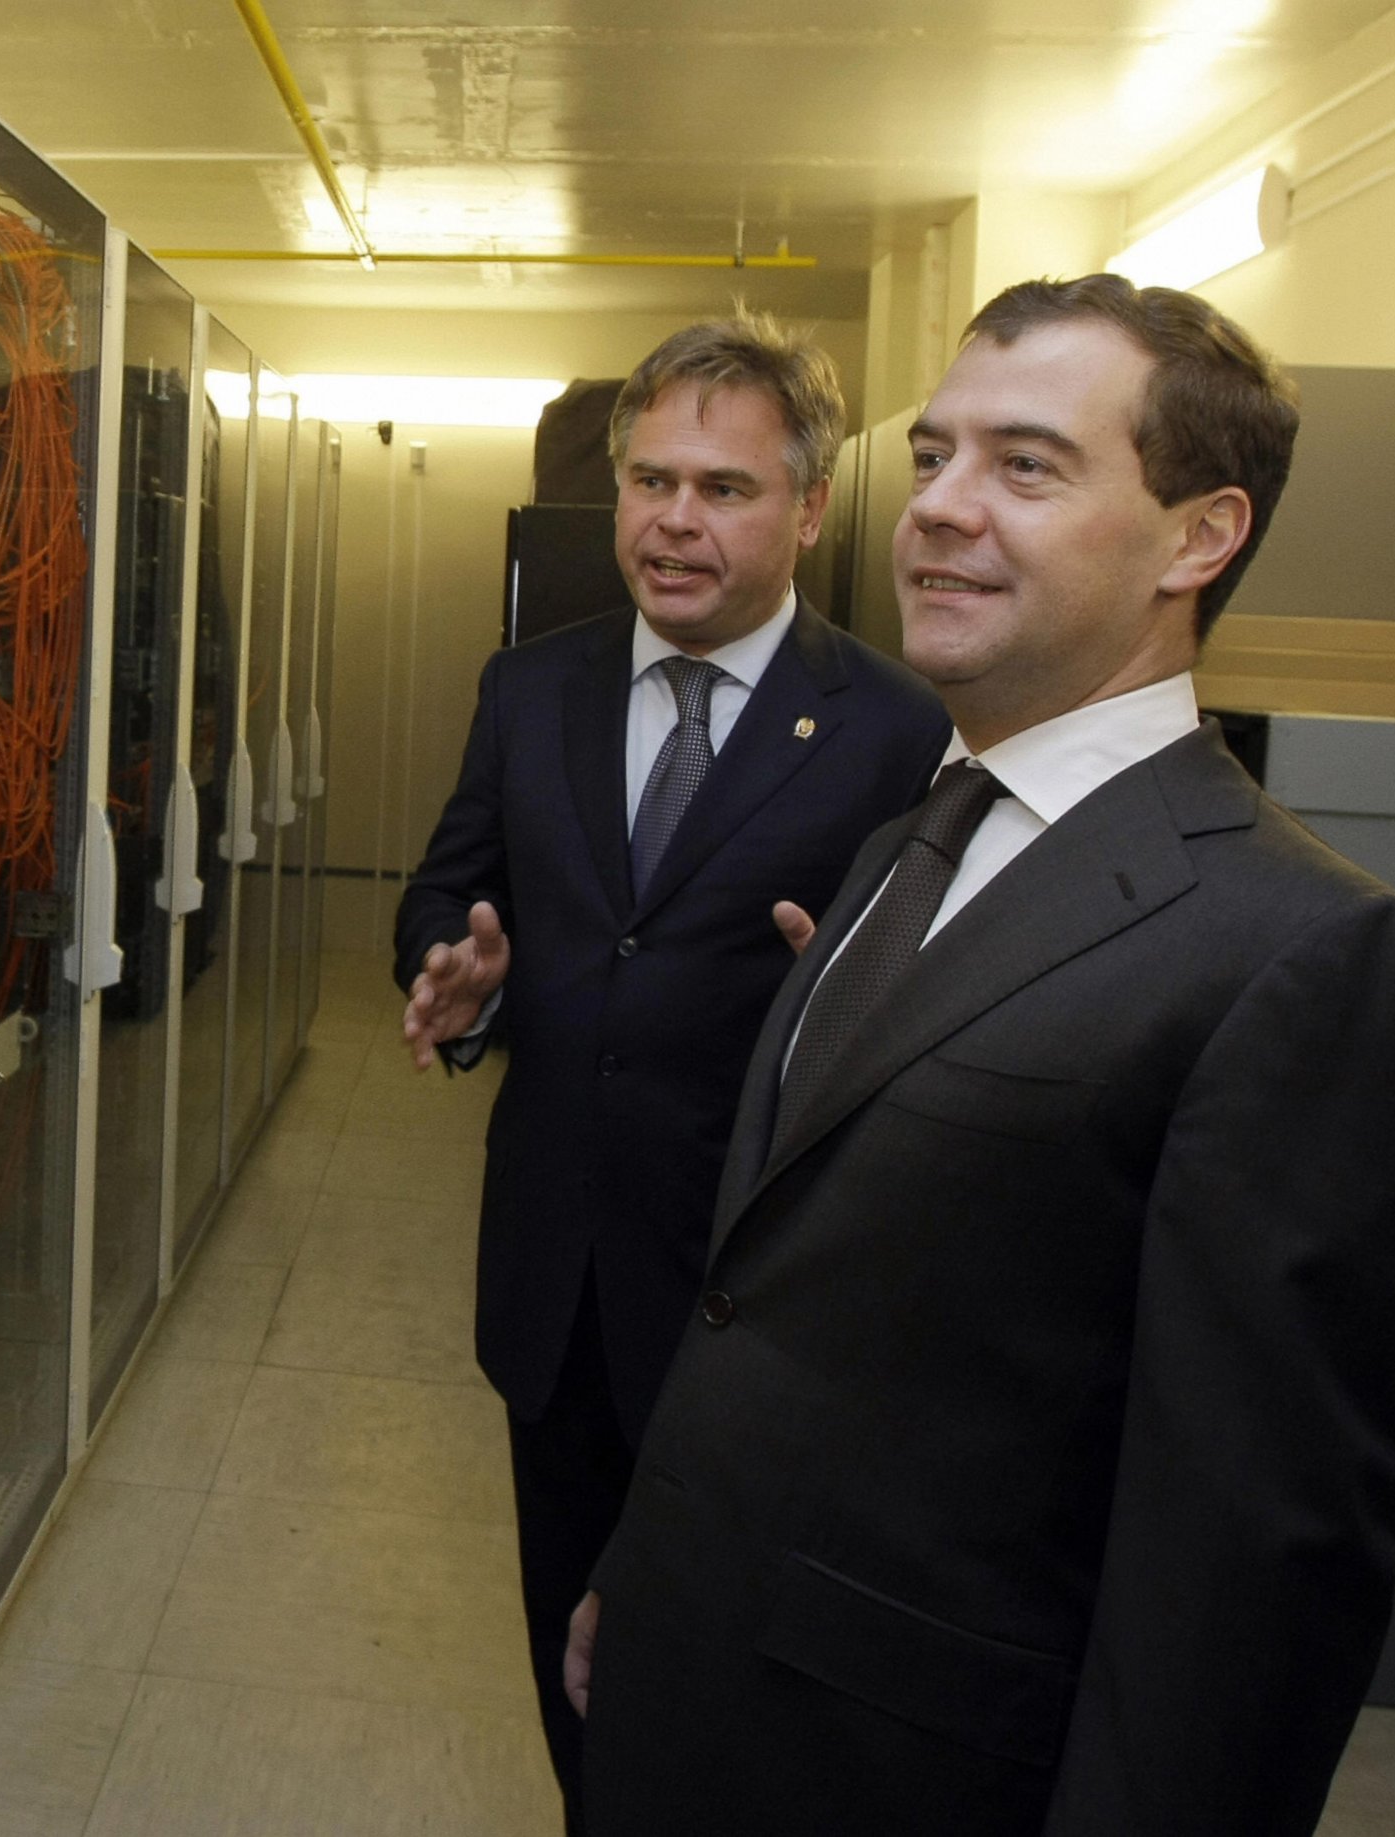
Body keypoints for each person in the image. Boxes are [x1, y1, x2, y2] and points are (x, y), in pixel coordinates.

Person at [570, 276, 1395, 1837]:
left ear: (1201, 537)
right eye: (933, 456)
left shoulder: (1316, 957)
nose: (938, 508)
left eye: (1026, 466)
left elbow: (1247, 1590)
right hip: (700, 1685)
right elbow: (776, 1298)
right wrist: (645, 1575)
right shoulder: (910, 845)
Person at [394, 314, 949, 1829]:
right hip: (559, 1289)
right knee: (571, 1690)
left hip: (762, 1312)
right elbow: (447, 892)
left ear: (810, 508)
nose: (676, 522)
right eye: (651, 482)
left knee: (722, 1701)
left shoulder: (899, 731)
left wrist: (862, 1000)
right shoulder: (533, 689)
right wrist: (458, 973)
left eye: (723, 487)